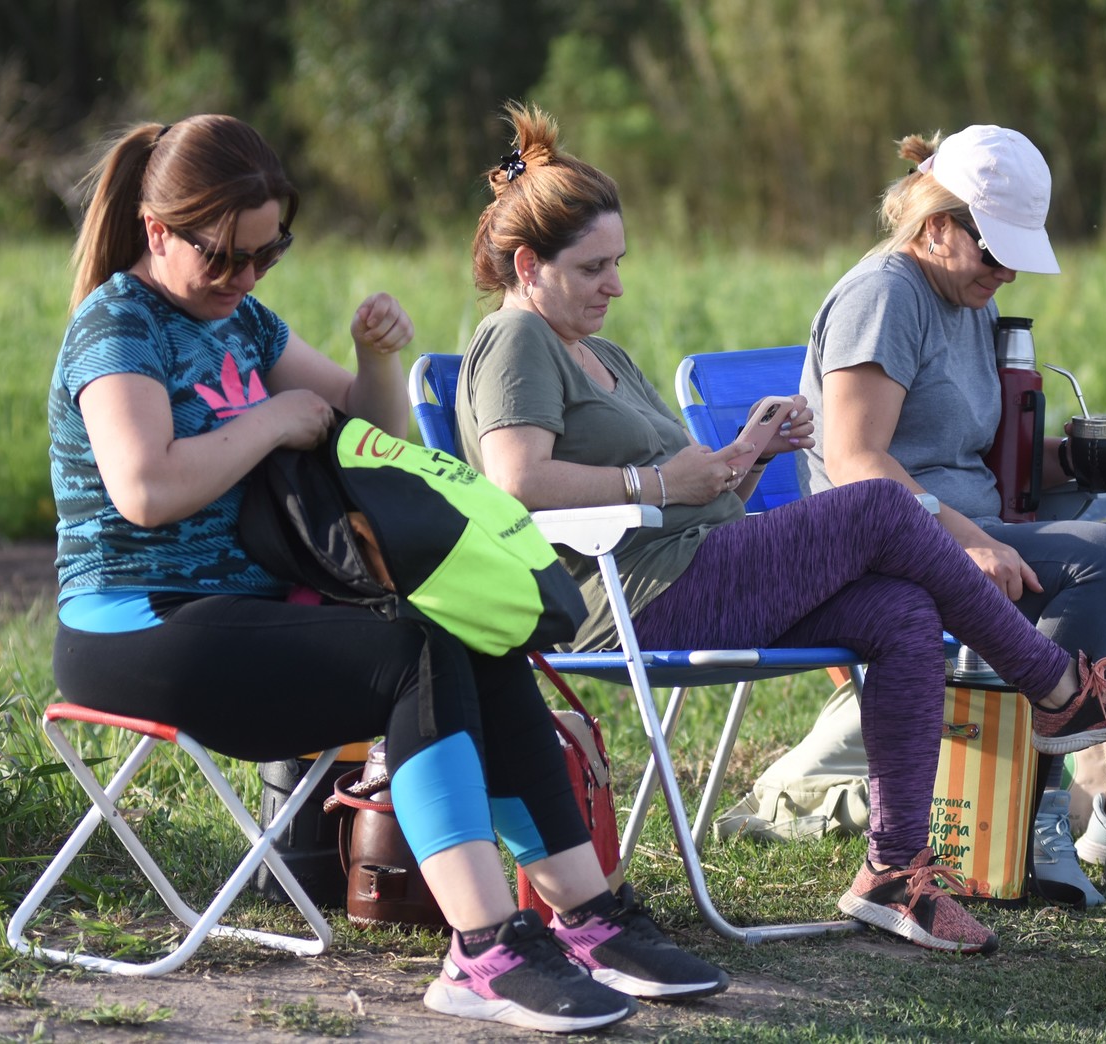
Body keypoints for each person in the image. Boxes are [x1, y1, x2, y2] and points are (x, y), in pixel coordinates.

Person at [454, 102, 1106, 953]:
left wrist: (742, 459)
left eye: (617, 263)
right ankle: (1058, 690)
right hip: (628, 599)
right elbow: (515, 481)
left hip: (697, 565)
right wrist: (658, 480)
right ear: (528, 265)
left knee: (900, 612)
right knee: (881, 503)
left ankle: (893, 872)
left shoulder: (602, 352)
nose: (614, 285)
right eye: (594, 268)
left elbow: (691, 491)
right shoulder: (514, 339)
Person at [47, 113, 728, 1035]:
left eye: (267, 254)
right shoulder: (119, 324)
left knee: (472, 632)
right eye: (225, 257)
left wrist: (376, 360)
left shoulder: (244, 321)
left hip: (247, 617)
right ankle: (484, 947)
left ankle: (588, 915)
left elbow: (370, 440)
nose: (245, 277)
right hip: (134, 624)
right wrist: (270, 420)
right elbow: (144, 490)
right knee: (412, 655)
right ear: (158, 230)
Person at [799, 124, 1106, 904]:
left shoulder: (963, 297)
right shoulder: (884, 295)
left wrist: (1077, 459)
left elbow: (974, 457)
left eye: (1016, 256)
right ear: (936, 226)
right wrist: (964, 541)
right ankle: (1033, 813)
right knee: (1104, 558)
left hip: (966, 525)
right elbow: (855, 460)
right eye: (994, 252)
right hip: (881, 543)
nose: (1007, 273)